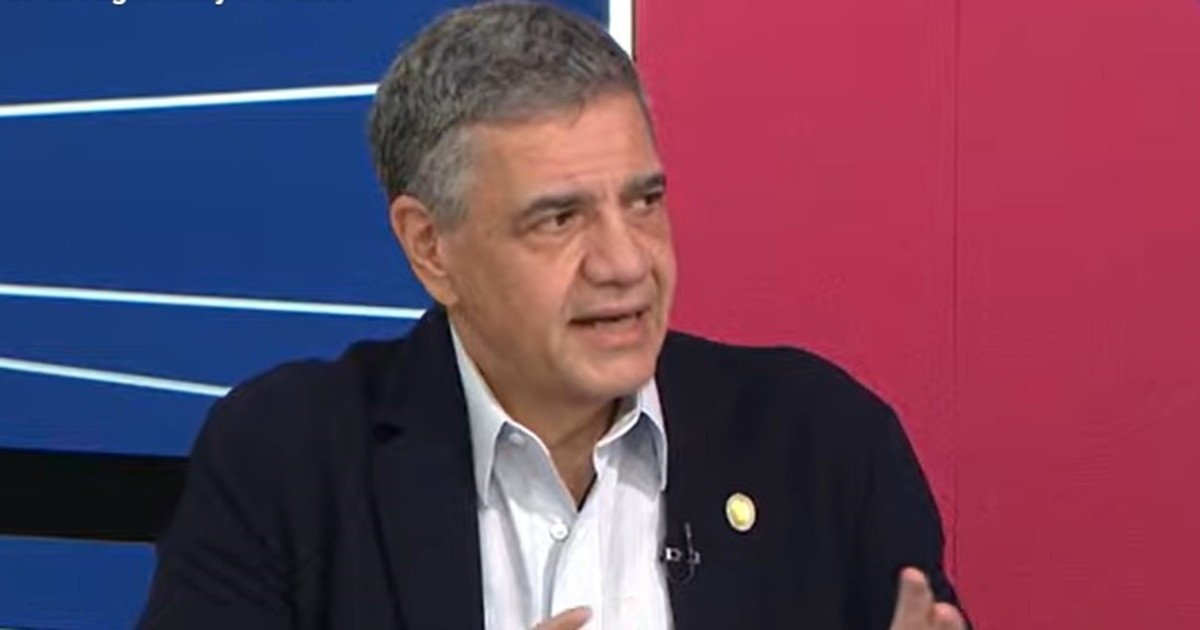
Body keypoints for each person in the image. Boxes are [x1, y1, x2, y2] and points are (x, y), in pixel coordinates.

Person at [137, 2, 970, 628]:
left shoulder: (821, 443)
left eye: (644, 201)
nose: (626, 262)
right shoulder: (290, 461)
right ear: (431, 247)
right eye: (560, 218)